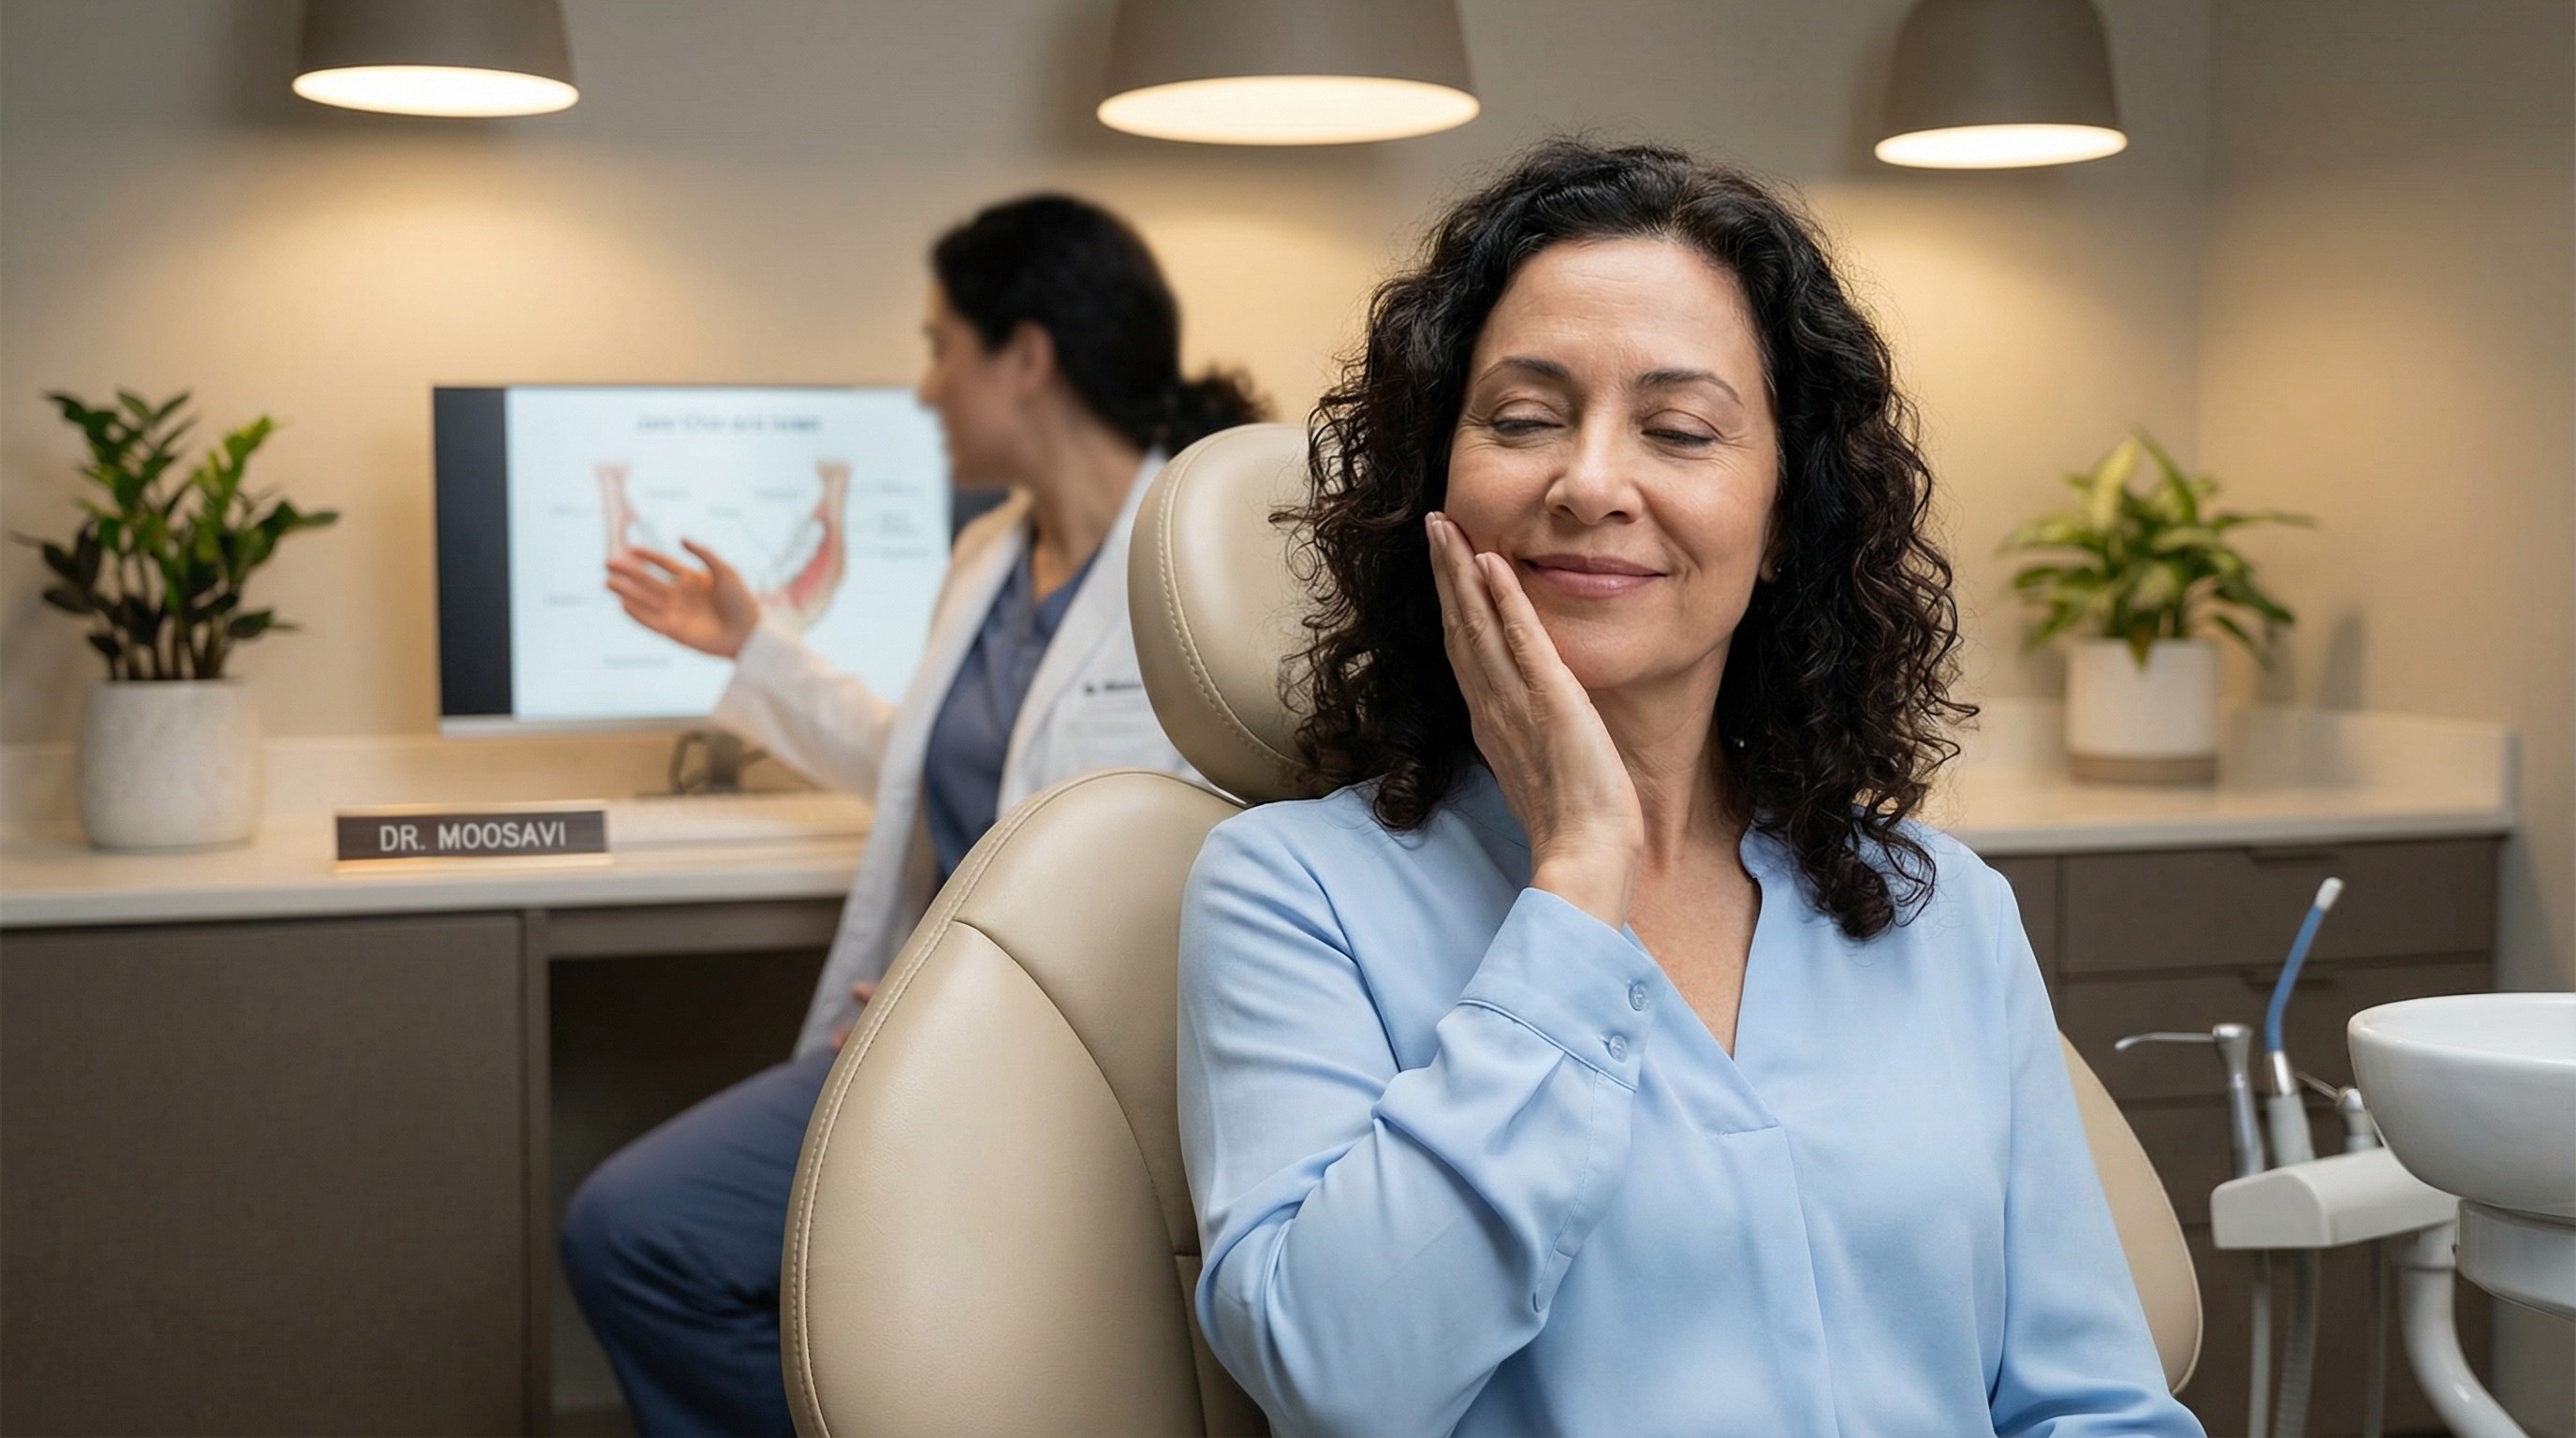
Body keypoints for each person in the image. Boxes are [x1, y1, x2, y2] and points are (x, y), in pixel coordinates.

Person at [1176, 142, 2204, 1437]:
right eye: (1524, 418)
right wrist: (1576, 882)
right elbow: (1347, 1381)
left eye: (1679, 430)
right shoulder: (1293, 897)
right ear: (1436, 484)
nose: (1591, 483)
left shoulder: (1940, 914)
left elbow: (2095, 1407)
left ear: (1784, 519)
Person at [564, 193, 1264, 1437]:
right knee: (640, 1233)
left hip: (1093, 1070)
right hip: (930, 1026)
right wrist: (753, 648)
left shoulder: (1200, 566)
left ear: (1028, 356)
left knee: (643, 1235)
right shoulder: (992, 552)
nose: (927, 387)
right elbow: (925, 767)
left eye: (943, 345)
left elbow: (1224, 861)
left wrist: (964, 995)